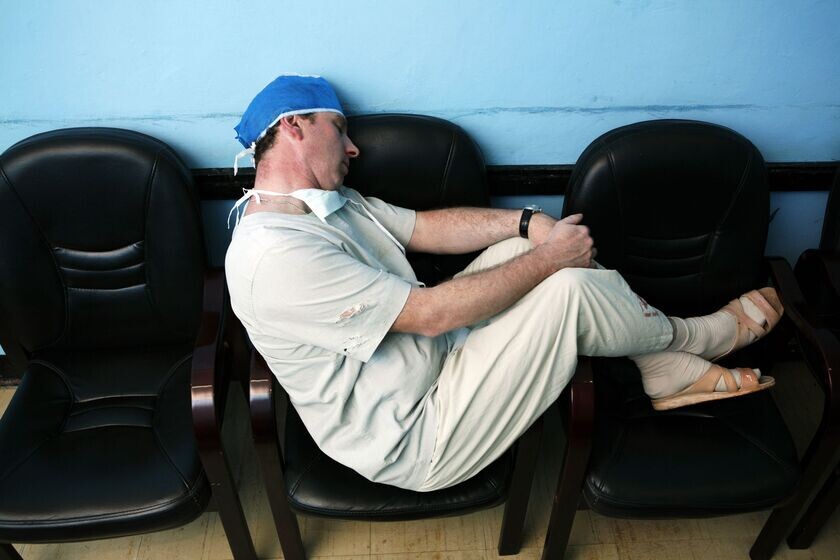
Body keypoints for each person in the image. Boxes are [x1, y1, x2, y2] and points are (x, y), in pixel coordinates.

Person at [225, 74, 783, 492]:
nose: (353, 148)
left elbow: (425, 228)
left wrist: (528, 224)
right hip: (414, 432)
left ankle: (659, 365)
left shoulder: (329, 206)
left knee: (531, 251)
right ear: (294, 126)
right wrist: (553, 257)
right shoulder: (274, 256)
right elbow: (430, 314)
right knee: (566, 288)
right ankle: (697, 338)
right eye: (340, 129)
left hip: (440, 359)